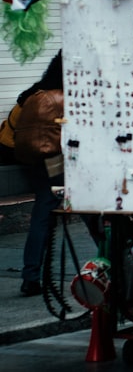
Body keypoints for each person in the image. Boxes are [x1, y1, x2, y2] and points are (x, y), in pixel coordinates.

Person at [0, 52, 63, 296]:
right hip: (59, 164)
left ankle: (31, 275)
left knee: (42, 213)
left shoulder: (32, 95)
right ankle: (107, 271)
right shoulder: (68, 97)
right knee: (91, 214)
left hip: (34, 162)